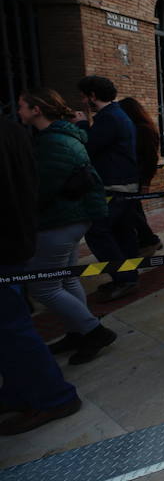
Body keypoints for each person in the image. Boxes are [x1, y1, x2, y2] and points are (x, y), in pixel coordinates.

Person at [17, 89, 117, 364]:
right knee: (66, 277)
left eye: (22, 106)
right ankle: (78, 331)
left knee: (42, 286)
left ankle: (93, 330)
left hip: (60, 220)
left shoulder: (52, 142)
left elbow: (42, 188)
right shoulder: (61, 137)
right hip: (70, 218)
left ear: (36, 110)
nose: (19, 112)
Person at [0, 117, 82, 435]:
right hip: (20, 234)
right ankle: (19, 391)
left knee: (13, 326)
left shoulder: (52, 140)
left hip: (10, 240)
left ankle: (54, 396)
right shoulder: (16, 131)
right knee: (12, 324)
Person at [75, 75, 141, 302]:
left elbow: (90, 146)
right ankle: (127, 275)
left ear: (92, 96)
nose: (83, 101)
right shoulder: (115, 114)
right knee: (121, 231)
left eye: (84, 96)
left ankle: (125, 277)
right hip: (123, 183)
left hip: (115, 186)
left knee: (97, 231)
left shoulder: (109, 118)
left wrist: (82, 124)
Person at [119, 97, 163, 257]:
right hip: (132, 176)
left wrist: (145, 181)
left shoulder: (143, 130)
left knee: (133, 211)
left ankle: (149, 239)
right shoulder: (135, 128)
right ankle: (146, 239)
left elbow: (151, 158)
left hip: (138, 177)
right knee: (134, 210)